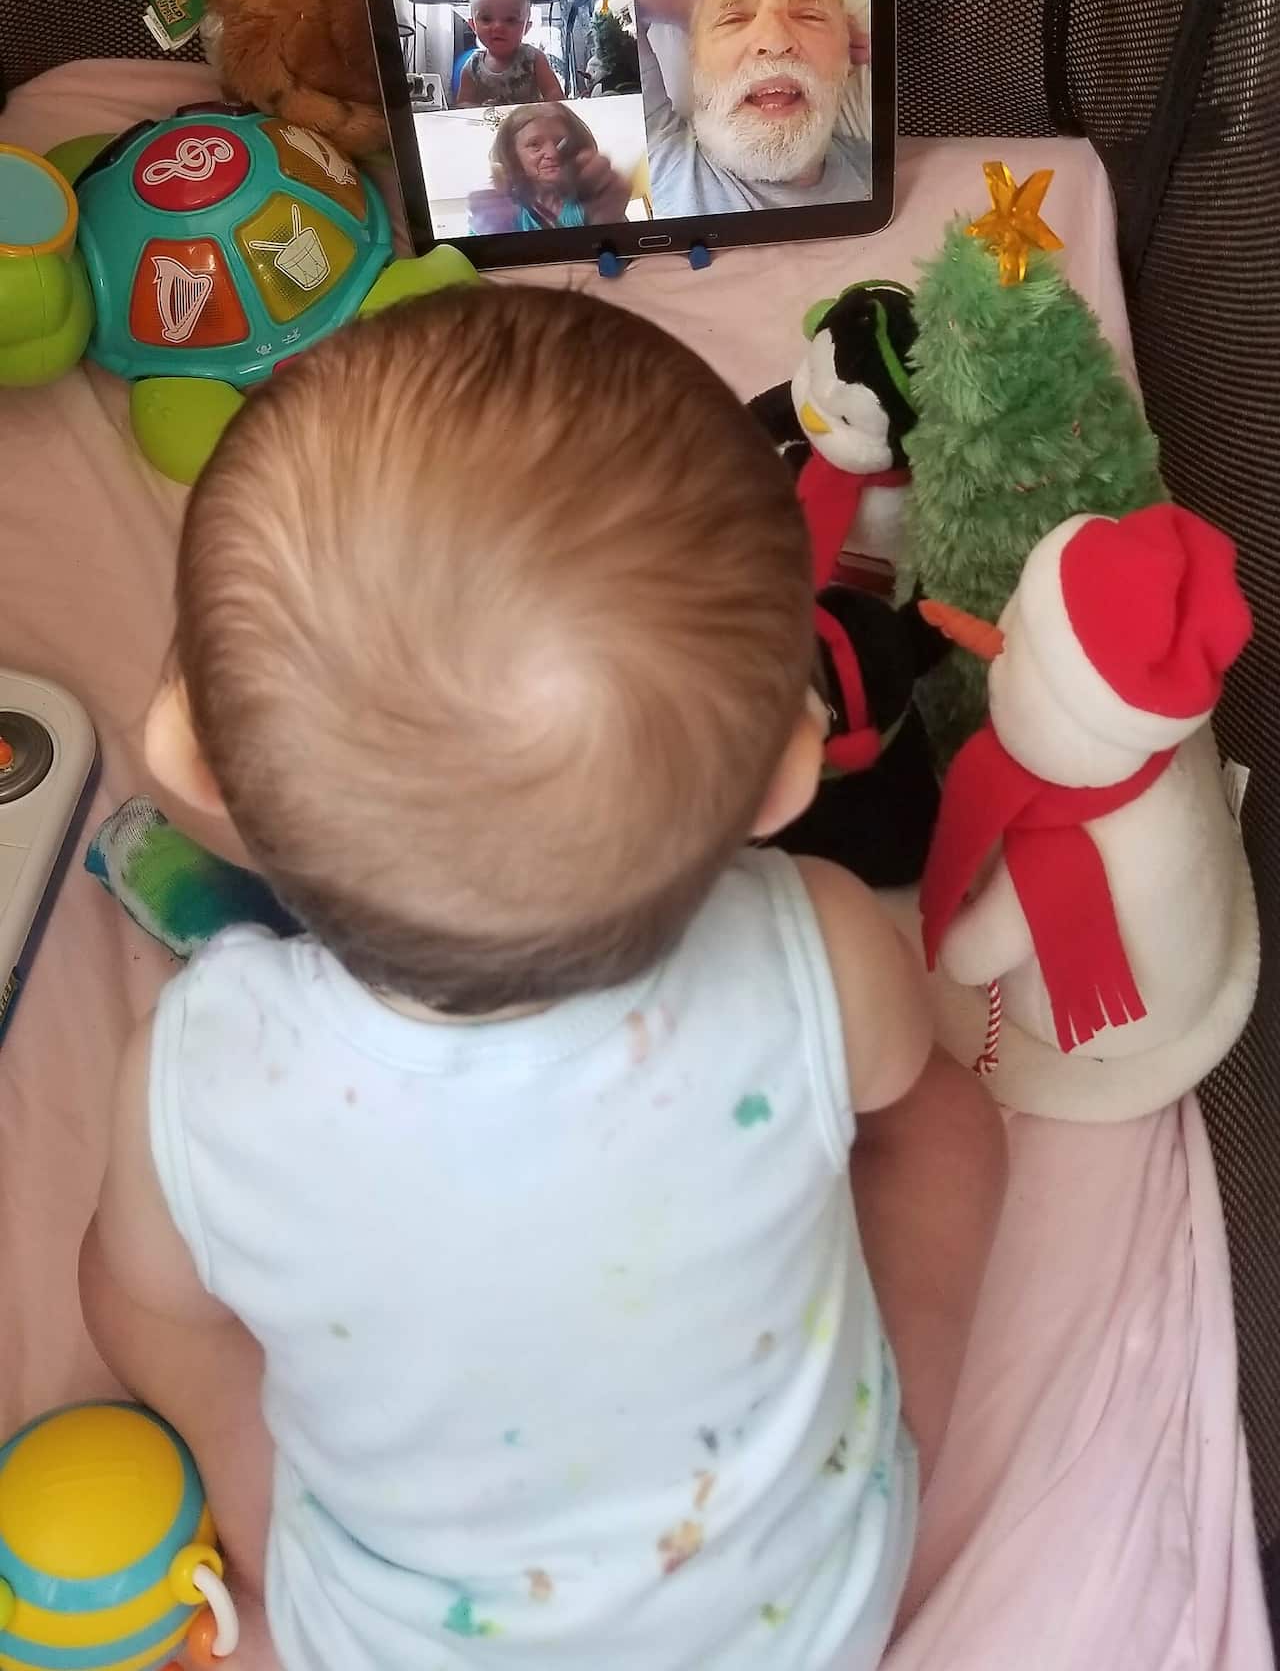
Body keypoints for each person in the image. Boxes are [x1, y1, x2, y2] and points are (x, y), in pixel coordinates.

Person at [79, 287, 1006, 1671]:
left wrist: (246, 1470)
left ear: (191, 755)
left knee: (147, 1301)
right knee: (946, 1128)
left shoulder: (199, 1076)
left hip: (394, 1645)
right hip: (800, 1623)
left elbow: (144, 1301)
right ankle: (882, 1439)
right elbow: (902, 1090)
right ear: (785, 776)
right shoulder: (810, 945)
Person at [634, 0, 873, 217]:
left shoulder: (887, 173)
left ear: (848, 56)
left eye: (810, 16)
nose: (774, 41)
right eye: (734, 19)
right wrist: (696, 6)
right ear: (694, 58)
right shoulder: (660, 152)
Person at [467, 101, 632, 233]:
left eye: (562, 143)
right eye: (534, 145)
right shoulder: (500, 210)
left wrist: (610, 221)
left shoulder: (591, 201)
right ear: (513, 156)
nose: (552, 153)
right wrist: (490, 238)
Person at [455, 0, 565, 108]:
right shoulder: (472, 66)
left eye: (510, 20)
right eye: (486, 19)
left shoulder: (533, 58)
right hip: (491, 124)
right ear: (473, 26)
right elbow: (463, 103)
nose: (498, 27)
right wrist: (479, 109)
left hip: (529, 123)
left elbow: (554, 94)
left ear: (527, 28)